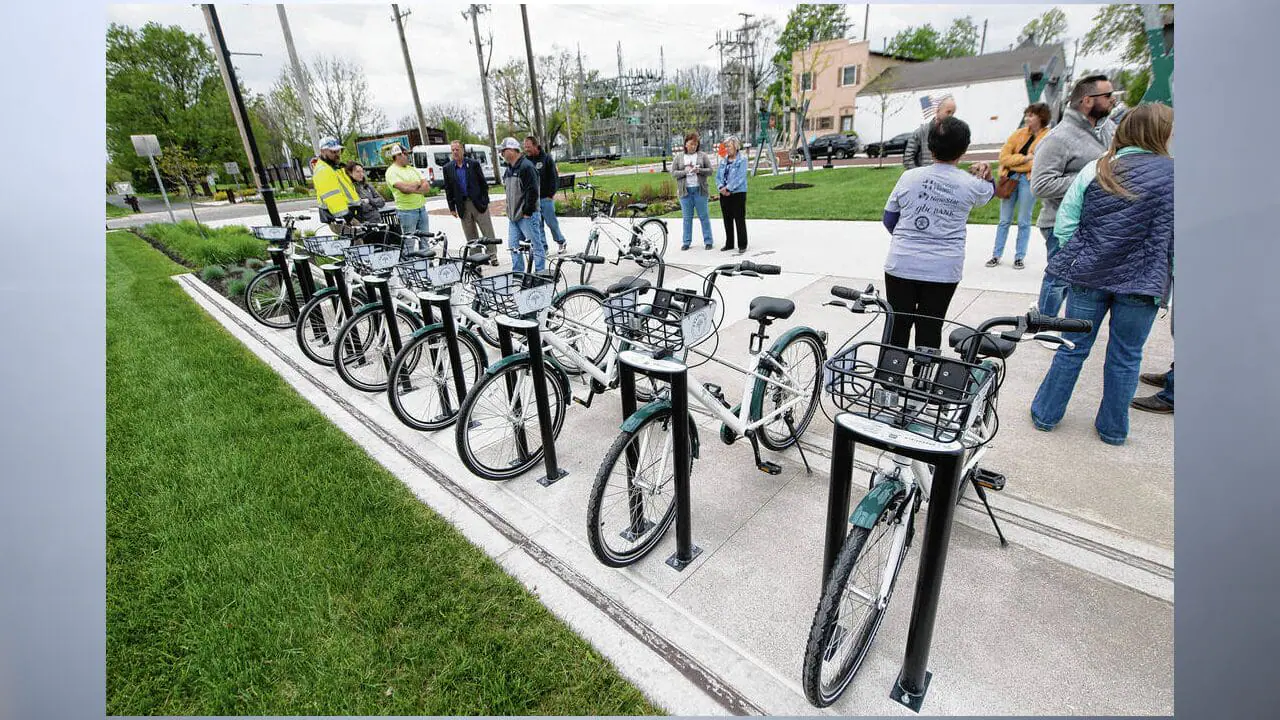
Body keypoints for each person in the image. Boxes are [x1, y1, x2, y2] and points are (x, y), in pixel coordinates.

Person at [1030, 103, 1175, 446]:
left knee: (1071, 346)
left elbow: (1066, 223)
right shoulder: (1178, 175)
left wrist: (1079, 253)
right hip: (1144, 281)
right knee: (1126, 356)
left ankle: (1046, 414)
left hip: (1089, 274)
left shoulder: (1098, 167)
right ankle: (1113, 429)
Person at [881, 116, 996, 351]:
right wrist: (988, 175)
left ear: (930, 147)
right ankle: (923, 379)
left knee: (898, 324)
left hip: (902, 262)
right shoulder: (971, 184)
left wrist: (908, 238)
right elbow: (989, 193)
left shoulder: (909, 177)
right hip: (943, 268)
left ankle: (890, 380)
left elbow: (889, 218)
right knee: (931, 325)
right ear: (964, 149)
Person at [1030, 74, 1116, 323]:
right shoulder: (1058, 138)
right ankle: (1045, 323)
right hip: (1060, 223)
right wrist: (1091, 177)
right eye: (1108, 96)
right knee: (1058, 279)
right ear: (1088, 100)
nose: (1113, 101)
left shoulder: (1107, 129)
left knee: (1076, 280)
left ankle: (1064, 321)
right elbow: (1041, 185)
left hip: (1094, 223)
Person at [987, 103, 1051, 269]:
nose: (1027, 118)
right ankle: (996, 255)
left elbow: (1038, 162)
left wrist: (1018, 161)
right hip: (1010, 178)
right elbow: (1003, 157)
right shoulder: (1018, 134)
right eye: (1026, 115)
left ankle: (1019, 256)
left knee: (1024, 220)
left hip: (1028, 180)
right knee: (1004, 220)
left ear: (1041, 117)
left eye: (1031, 115)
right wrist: (1023, 159)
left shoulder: (1047, 137)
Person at [442, 140, 498, 265]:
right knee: (470, 234)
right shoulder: (448, 168)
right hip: (462, 205)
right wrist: (452, 207)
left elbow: (483, 183)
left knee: (487, 230)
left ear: (463, 150)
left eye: (457, 149)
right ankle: (477, 258)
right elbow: (448, 189)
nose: (455, 152)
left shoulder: (473, 164)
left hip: (478, 203)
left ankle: (492, 256)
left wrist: (485, 200)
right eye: (453, 150)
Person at [498, 136, 546, 273]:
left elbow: (533, 191)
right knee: (513, 247)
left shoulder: (526, 167)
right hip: (513, 217)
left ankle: (540, 273)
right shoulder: (509, 169)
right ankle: (518, 274)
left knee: (536, 245)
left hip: (527, 216)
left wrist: (527, 212)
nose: (501, 153)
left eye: (503, 150)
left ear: (513, 150)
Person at [523, 136, 568, 254]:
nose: (526, 149)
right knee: (538, 226)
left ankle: (561, 241)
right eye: (525, 147)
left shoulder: (546, 158)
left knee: (551, 223)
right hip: (534, 200)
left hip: (545, 198)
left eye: (528, 147)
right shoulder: (526, 161)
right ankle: (543, 247)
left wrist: (550, 194)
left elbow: (554, 178)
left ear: (535, 145)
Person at [384, 143, 431, 251]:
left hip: (421, 209)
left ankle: (425, 264)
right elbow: (404, 189)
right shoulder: (391, 171)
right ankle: (408, 265)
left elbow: (427, 187)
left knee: (425, 240)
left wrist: (412, 187)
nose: (408, 156)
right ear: (398, 155)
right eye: (406, 154)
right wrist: (417, 184)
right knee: (409, 243)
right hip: (407, 212)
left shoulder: (412, 169)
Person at [673, 132, 714, 250]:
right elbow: (673, 173)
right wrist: (685, 172)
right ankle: (686, 242)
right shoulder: (679, 157)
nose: (693, 146)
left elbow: (710, 171)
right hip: (685, 192)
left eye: (695, 144)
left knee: (704, 216)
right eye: (691, 144)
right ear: (685, 144)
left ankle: (708, 241)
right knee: (687, 217)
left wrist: (699, 170)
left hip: (699, 190)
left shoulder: (702, 156)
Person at [312, 136, 358, 234]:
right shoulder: (324, 170)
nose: (337, 154)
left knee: (359, 242)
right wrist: (347, 216)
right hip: (340, 217)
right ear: (323, 151)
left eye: (338, 151)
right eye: (333, 152)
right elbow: (332, 197)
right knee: (357, 244)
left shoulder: (334, 167)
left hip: (345, 215)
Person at [715, 135, 749, 254]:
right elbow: (718, 176)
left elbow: (740, 177)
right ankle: (729, 243)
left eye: (729, 146)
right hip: (724, 194)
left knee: (739, 218)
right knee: (727, 219)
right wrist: (721, 187)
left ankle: (742, 244)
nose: (727, 149)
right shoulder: (723, 160)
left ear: (735, 146)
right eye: (726, 147)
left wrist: (728, 188)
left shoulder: (742, 160)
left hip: (738, 193)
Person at [903, 96, 956, 170]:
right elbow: (908, 159)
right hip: (923, 179)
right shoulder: (920, 132)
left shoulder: (952, 133)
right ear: (938, 111)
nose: (951, 116)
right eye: (948, 112)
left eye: (953, 113)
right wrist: (920, 176)